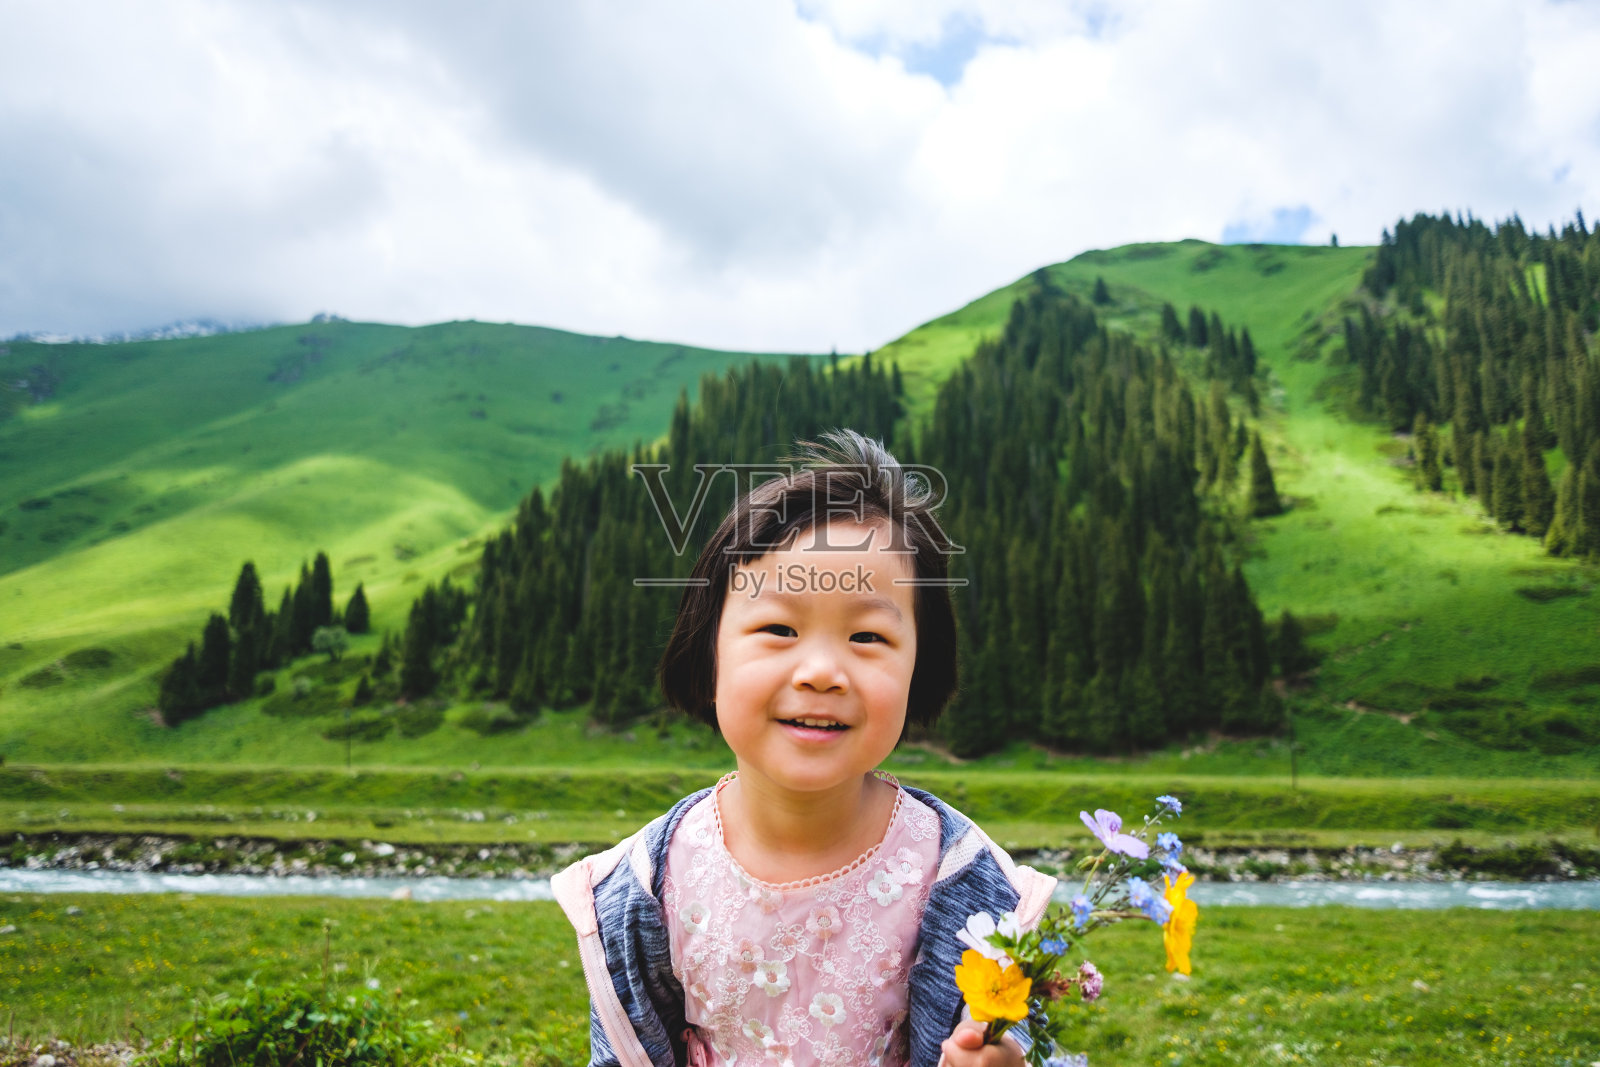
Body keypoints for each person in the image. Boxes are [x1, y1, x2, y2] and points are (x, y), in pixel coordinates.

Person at [554, 429, 1057, 1067]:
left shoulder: (961, 880)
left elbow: (1030, 1042)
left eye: (868, 637)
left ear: (919, 669)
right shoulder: (648, 883)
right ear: (708, 653)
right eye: (779, 628)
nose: (821, 671)